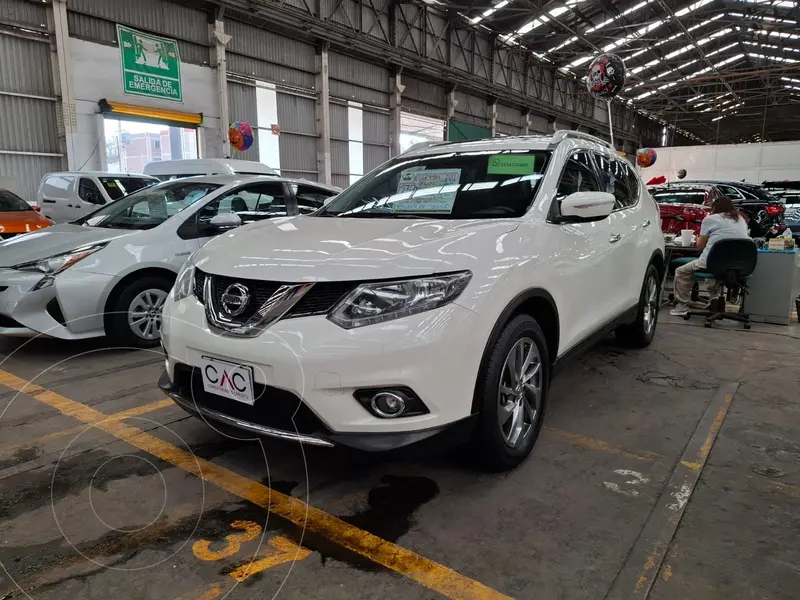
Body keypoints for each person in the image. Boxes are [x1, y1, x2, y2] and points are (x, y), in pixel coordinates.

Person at [670, 195, 749, 316]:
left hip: (713, 261)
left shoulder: (711, 219)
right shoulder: (740, 219)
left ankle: (681, 306)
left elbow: (700, 245)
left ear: (715, 207)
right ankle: (714, 298)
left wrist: (697, 239)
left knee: (682, 271)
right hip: (737, 263)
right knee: (713, 269)